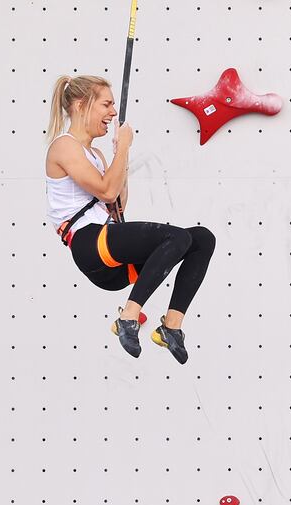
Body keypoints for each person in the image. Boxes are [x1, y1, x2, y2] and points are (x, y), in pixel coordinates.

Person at [44, 75, 215, 364]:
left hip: (111, 255)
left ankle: (171, 327)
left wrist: (119, 155)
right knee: (177, 237)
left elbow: (117, 204)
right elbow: (107, 190)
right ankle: (128, 317)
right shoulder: (64, 146)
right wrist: (123, 148)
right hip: (89, 243)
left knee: (201, 239)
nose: (113, 113)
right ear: (80, 105)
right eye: (106, 104)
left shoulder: (94, 154)